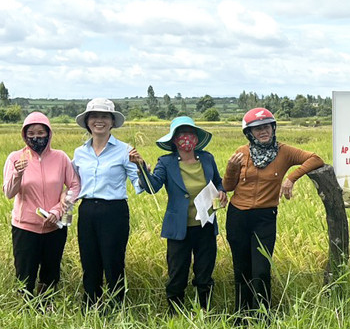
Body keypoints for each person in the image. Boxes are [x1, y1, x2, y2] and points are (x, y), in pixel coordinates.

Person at [224, 107, 324, 315]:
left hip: (265, 218)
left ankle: (263, 316)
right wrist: (231, 168)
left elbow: (315, 159)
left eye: (267, 126)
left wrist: (291, 178)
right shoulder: (241, 153)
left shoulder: (284, 151)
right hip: (238, 216)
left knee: (261, 270)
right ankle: (240, 316)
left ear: (273, 128)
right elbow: (228, 187)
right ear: (249, 133)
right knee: (241, 270)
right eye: (257, 128)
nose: (263, 131)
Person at [129, 116, 228, 311]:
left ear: (196, 137)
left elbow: (218, 180)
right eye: (181, 134)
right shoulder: (166, 162)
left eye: (190, 134)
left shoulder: (207, 158)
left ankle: (204, 310)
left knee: (204, 273)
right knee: (177, 273)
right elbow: (152, 187)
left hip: (205, 224)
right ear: (174, 140)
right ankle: (175, 312)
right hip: (178, 228)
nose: (186, 138)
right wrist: (141, 168)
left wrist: (222, 190)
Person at [72, 98, 142, 306]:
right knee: (89, 261)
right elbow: (72, 184)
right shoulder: (79, 153)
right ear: (87, 122)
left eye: (104, 116)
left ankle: (116, 306)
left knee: (113, 261)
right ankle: (90, 305)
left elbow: (139, 184)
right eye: (94, 116)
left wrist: (141, 167)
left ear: (112, 122)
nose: (99, 121)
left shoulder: (125, 150)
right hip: (87, 211)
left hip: (114, 211)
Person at [3, 112, 80, 298]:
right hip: (25, 228)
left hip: (55, 227)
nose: (36, 137)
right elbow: (8, 193)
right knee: (25, 272)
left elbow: (75, 185)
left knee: (51, 271)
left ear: (49, 134)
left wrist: (59, 210)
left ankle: (46, 305)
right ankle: (26, 308)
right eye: (31, 134)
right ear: (24, 135)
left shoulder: (61, 158)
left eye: (40, 133)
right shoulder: (15, 158)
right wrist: (17, 174)